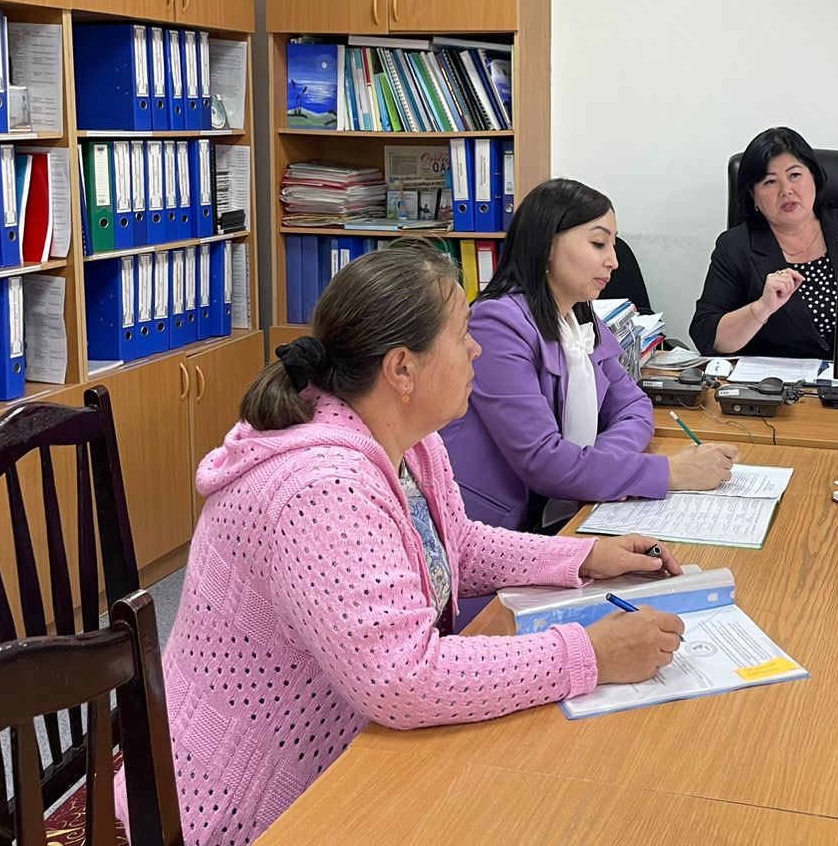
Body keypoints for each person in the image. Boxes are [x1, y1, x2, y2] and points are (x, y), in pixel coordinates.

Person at [150, 246, 689, 845]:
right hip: (251, 807)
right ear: (402, 369)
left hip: (358, 754)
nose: (476, 350)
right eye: (462, 335)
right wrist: (589, 653)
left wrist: (583, 556)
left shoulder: (411, 441)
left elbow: (455, 547)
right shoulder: (321, 489)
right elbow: (404, 677)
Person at [445, 178, 737, 533]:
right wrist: (670, 472)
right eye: (599, 243)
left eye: (613, 245)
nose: (613, 261)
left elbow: (634, 406)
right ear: (546, 244)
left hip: (566, 510)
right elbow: (544, 462)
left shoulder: (579, 316)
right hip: (495, 529)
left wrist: (593, 463)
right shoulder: (496, 324)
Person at [690, 126, 838, 359]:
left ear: (814, 177)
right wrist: (761, 308)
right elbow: (707, 337)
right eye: (770, 182)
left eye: (795, 175)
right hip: (773, 380)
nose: (786, 190)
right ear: (753, 196)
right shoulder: (735, 247)